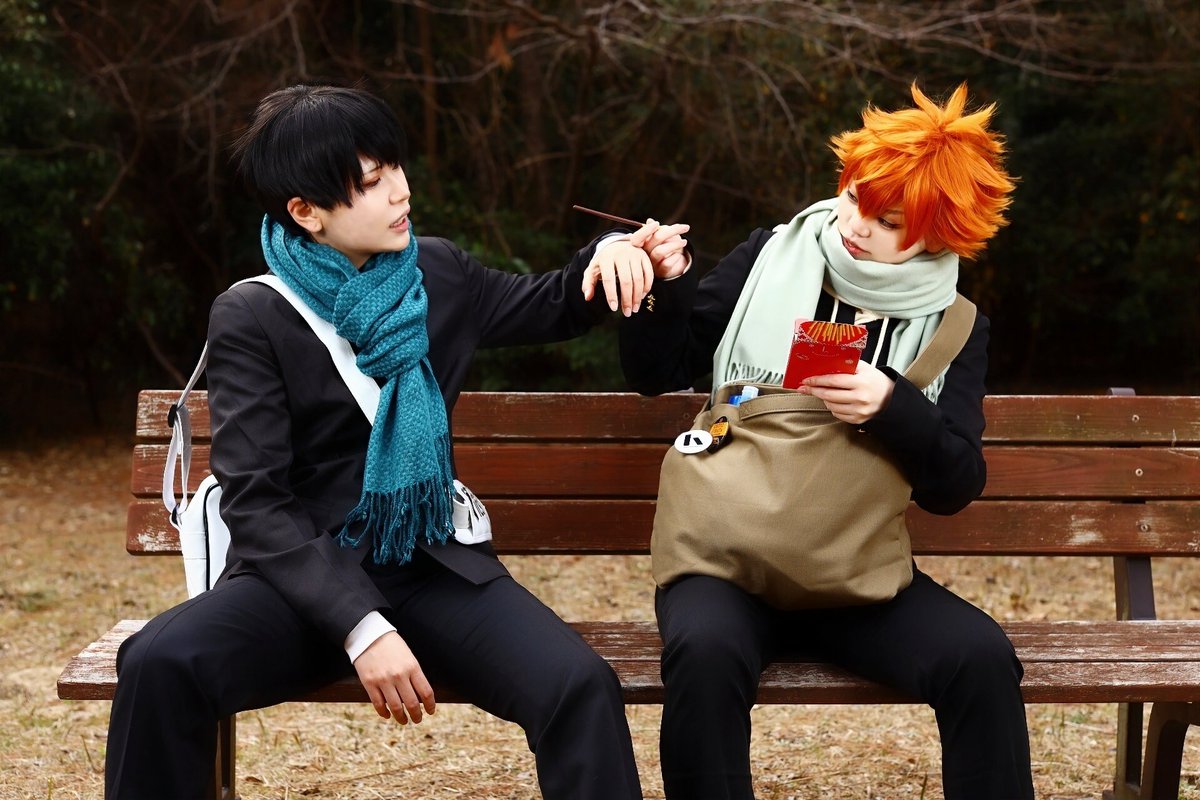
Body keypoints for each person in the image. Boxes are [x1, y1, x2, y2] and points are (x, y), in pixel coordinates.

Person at [104, 83, 686, 800]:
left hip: (429, 565)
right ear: (306, 212)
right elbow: (255, 502)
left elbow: (558, 302)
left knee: (579, 685)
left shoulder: (437, 273)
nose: (400, 191)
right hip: (303, 584)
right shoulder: (253, 315)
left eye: (396, 168)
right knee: (158, 661)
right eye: (371, 182)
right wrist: (361, 628)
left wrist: (616, 250)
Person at [600, 83, 1033, 799]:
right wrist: (665, 285)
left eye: (888, 221)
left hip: (854, 579)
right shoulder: (772, 255)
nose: (857, 225)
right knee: (705, 654)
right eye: (854, 198)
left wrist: (891, 406)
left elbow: (955, 485)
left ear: (939, 232)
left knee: (981, 658)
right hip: (723, 566)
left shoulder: (956, 323)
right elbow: (658, 371)